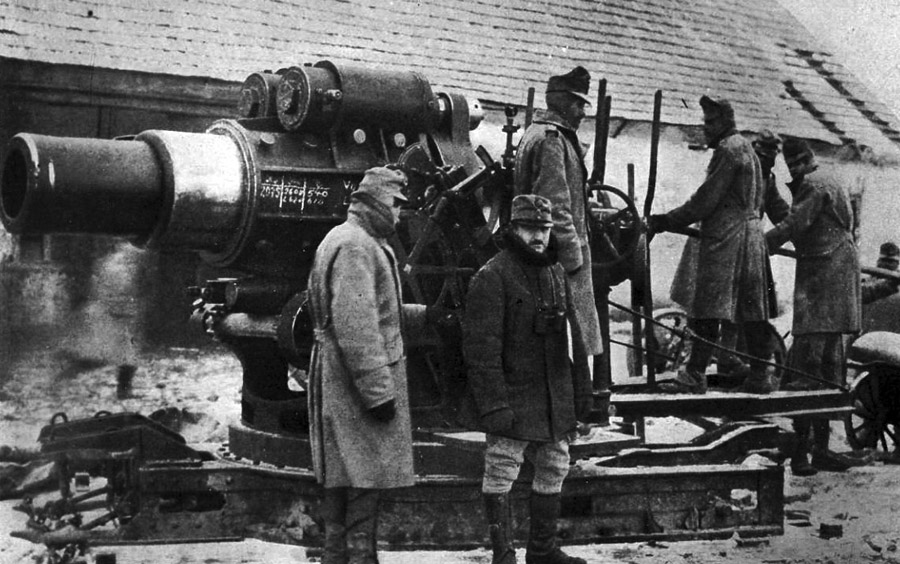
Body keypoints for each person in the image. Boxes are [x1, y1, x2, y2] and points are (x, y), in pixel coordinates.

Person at [307, 166, 430, 564]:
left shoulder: (346, 238)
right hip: (355, 385)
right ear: (375, 202)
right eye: (395, 204)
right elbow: (357, 327)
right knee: (364, 477)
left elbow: (368, 311)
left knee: (344, 476)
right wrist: (378, 393)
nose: (399, 214)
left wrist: (426, 315)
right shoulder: (358, 247)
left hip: (340, 377)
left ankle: (338, 557)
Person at [460, 194, 592, 564]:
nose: (538, 236)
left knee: (554, 463)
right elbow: (481, 352)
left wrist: (582, 394)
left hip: (553, 396)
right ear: (513, 229)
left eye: (544, 229)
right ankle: (503, 555)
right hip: (514, 396)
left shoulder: (555, 273)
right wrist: (494, 406)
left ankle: (542, 552)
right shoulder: (492, 276)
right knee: (502, 467)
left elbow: (574, 340)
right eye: (529, 228)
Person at [649, 97, 773, 394]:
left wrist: (666, 220)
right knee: (751, 309)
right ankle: (760, 375)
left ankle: (694, 375)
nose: (705, 129)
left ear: (725, 122)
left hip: (727, 240)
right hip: (750, 238)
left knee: (707, 307)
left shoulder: (728, 150)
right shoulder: (745, 148)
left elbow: (705, 200)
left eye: (710, 123)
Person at [765, 138, 861, 476]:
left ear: (804, 161)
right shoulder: (827, 179)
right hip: (834, 284)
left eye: (795, 165)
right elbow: (795, 219)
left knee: (806, 371)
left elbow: (793, 225)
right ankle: (820, 450)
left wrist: (759, 244)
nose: (793, 172)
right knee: (827, 371)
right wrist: (771, 193)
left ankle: (802, 454)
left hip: (822, 285)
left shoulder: (814, 184)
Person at [513, 66, 603, 360]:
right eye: (578, 104)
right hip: (560, 255)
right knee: (574, 342)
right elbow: (555, 207)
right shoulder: (552, 140)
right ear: (562, 102)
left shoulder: (538, 132)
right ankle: (582, 389)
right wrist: (573, 258)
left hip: (547, 251)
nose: (583, 113)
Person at [861, 241, 900, 305]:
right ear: (878, 261)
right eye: (884, 260)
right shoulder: (866, 282)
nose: (886, 264)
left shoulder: (897, 284)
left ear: (897, 264)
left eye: (890, 261)